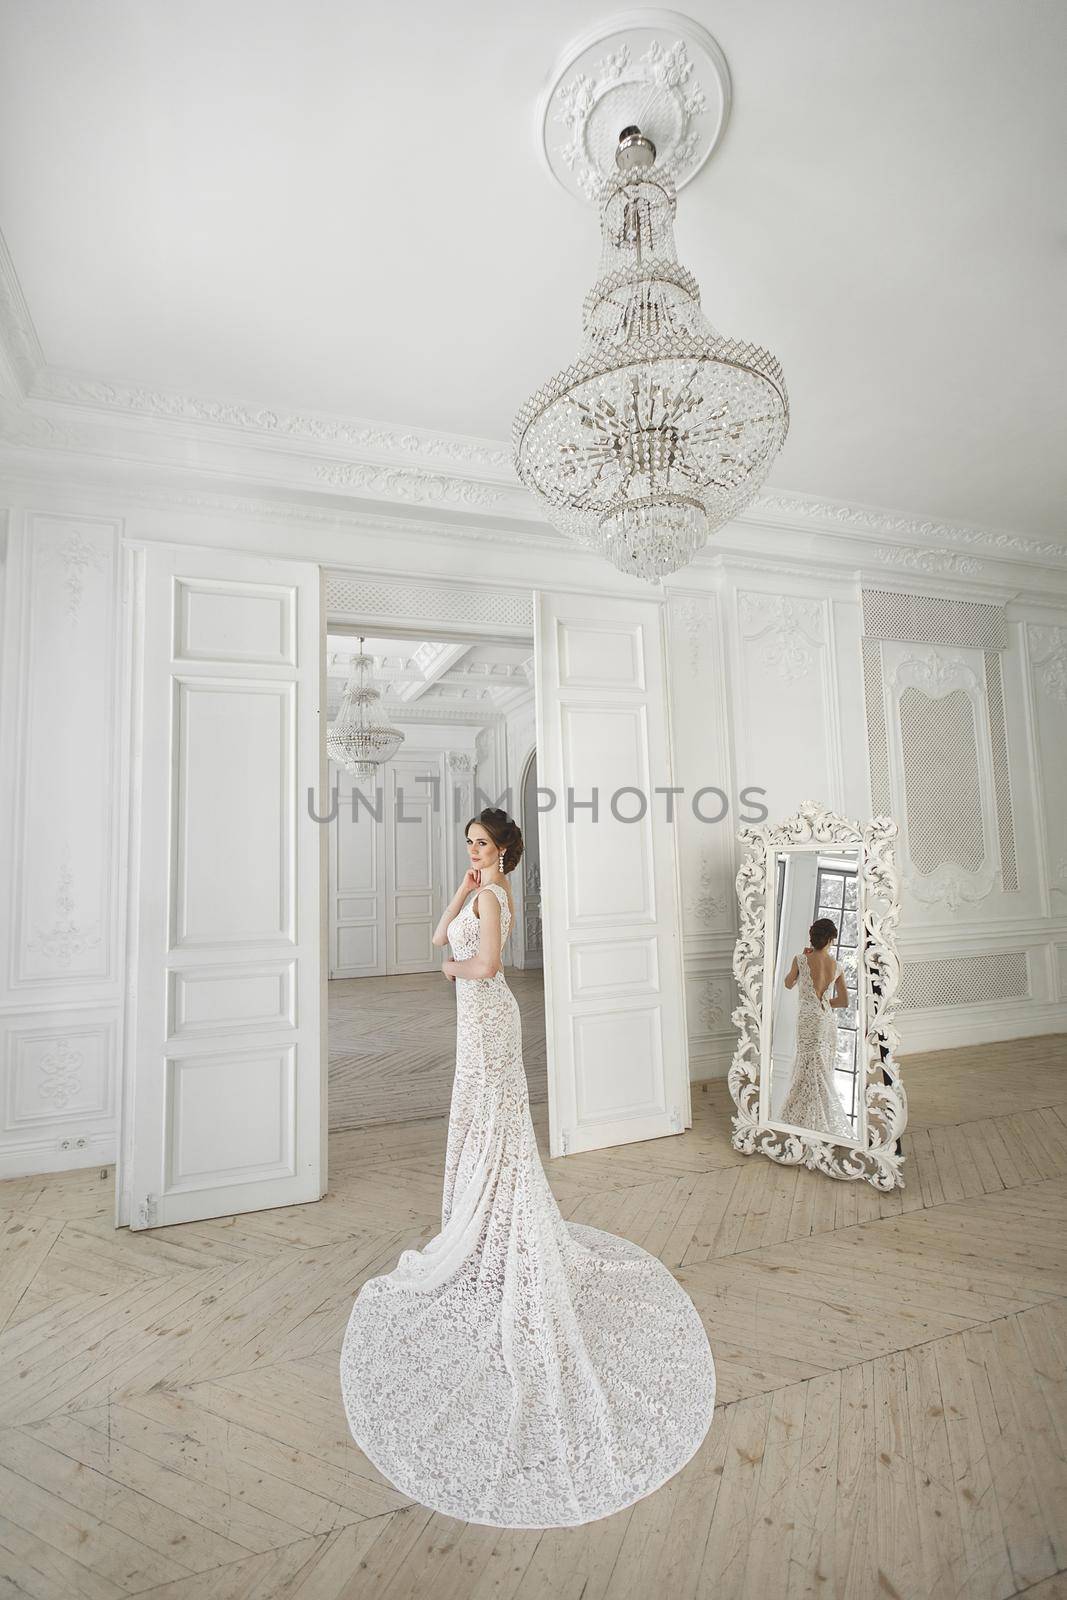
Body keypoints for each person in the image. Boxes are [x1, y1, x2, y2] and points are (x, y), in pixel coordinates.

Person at [339, 807, 715, 1528]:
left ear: (507, 850)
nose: (475, 852)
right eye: (470, 844)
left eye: (483, 844)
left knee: (497, 1122)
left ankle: (497, 1219)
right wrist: (459, 885)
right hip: (476, 1019)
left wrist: (453, 960)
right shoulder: (479, 889)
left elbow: (481, 967)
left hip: (487, 1014)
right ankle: (483, 1218)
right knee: (485, 1121)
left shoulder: (495, 897)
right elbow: (431, 935)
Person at [777, 916, 853, 1139]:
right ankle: (818, 1121)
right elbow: (844, 1002)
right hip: (826, 1020)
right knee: (821, 1068)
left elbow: (788, 984)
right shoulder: (836, 966)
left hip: (807, 1019)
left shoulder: (801, 959)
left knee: (807, 1066)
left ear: (813, 938)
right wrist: (823, 1004)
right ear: (830, 939)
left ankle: (802, 1120)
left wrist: (803, 961)